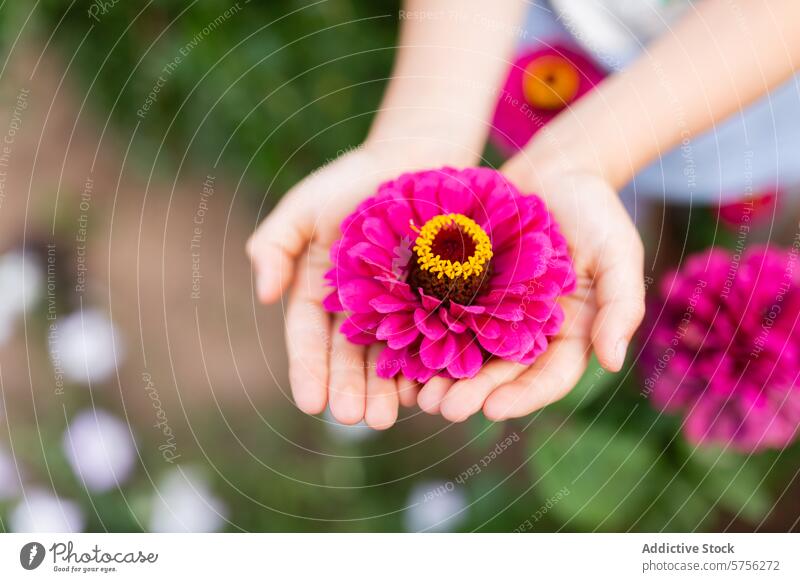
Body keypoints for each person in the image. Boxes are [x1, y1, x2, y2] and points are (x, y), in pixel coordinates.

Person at [247, 0, 800, 429]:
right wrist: (423, 126)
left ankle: (636, 193)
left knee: (683, 172)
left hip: (748, 75)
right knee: (591, 182)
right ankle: (613, 187)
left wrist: (588, 157)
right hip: (550, 35)